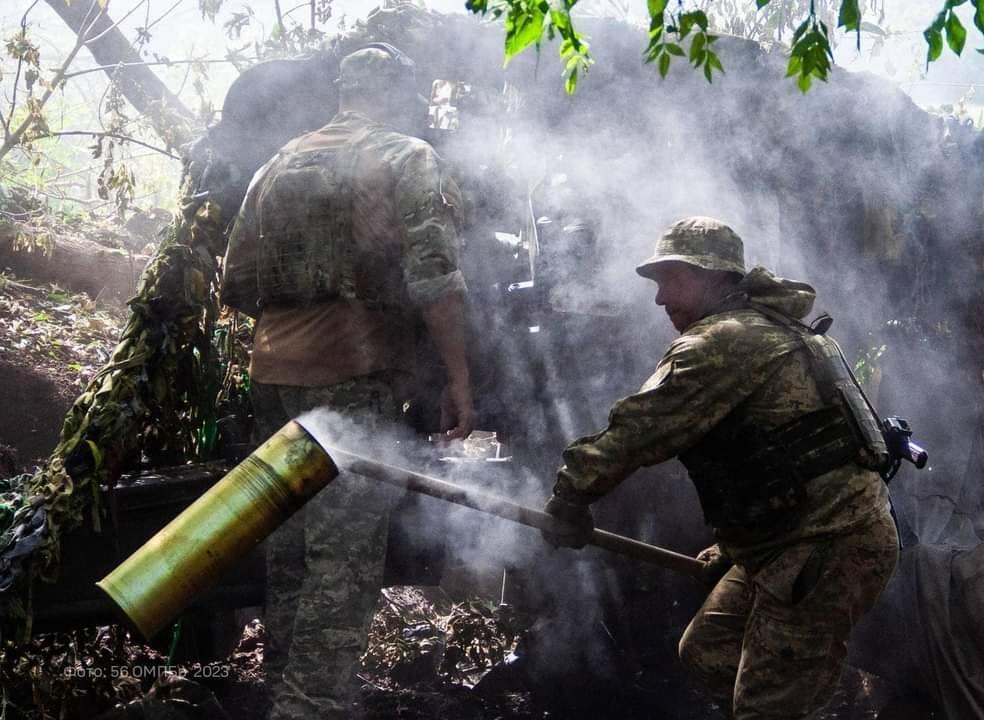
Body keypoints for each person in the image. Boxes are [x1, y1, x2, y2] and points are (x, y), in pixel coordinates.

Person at [542, 216, 898, 719]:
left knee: (767, 708)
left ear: (715, 277)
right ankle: (804, 690)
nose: (660, 299)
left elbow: (637, 431)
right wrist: (735, 549)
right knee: (708, 655)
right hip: (788, 539)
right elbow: (780, 462)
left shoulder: (721, 341)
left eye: (672, 279)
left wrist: (569, 497)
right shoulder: (764, 328)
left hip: (829, 543)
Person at [221, 45, 473, 720]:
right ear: (399, 93)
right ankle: (314, 707)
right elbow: (436, 281)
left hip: (273, 375)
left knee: (292, 551)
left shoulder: (277, 164)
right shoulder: (404, 157)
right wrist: (458, 379)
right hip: (353, 376)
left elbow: (236, 282)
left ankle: (286, 695)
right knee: (343, 555)